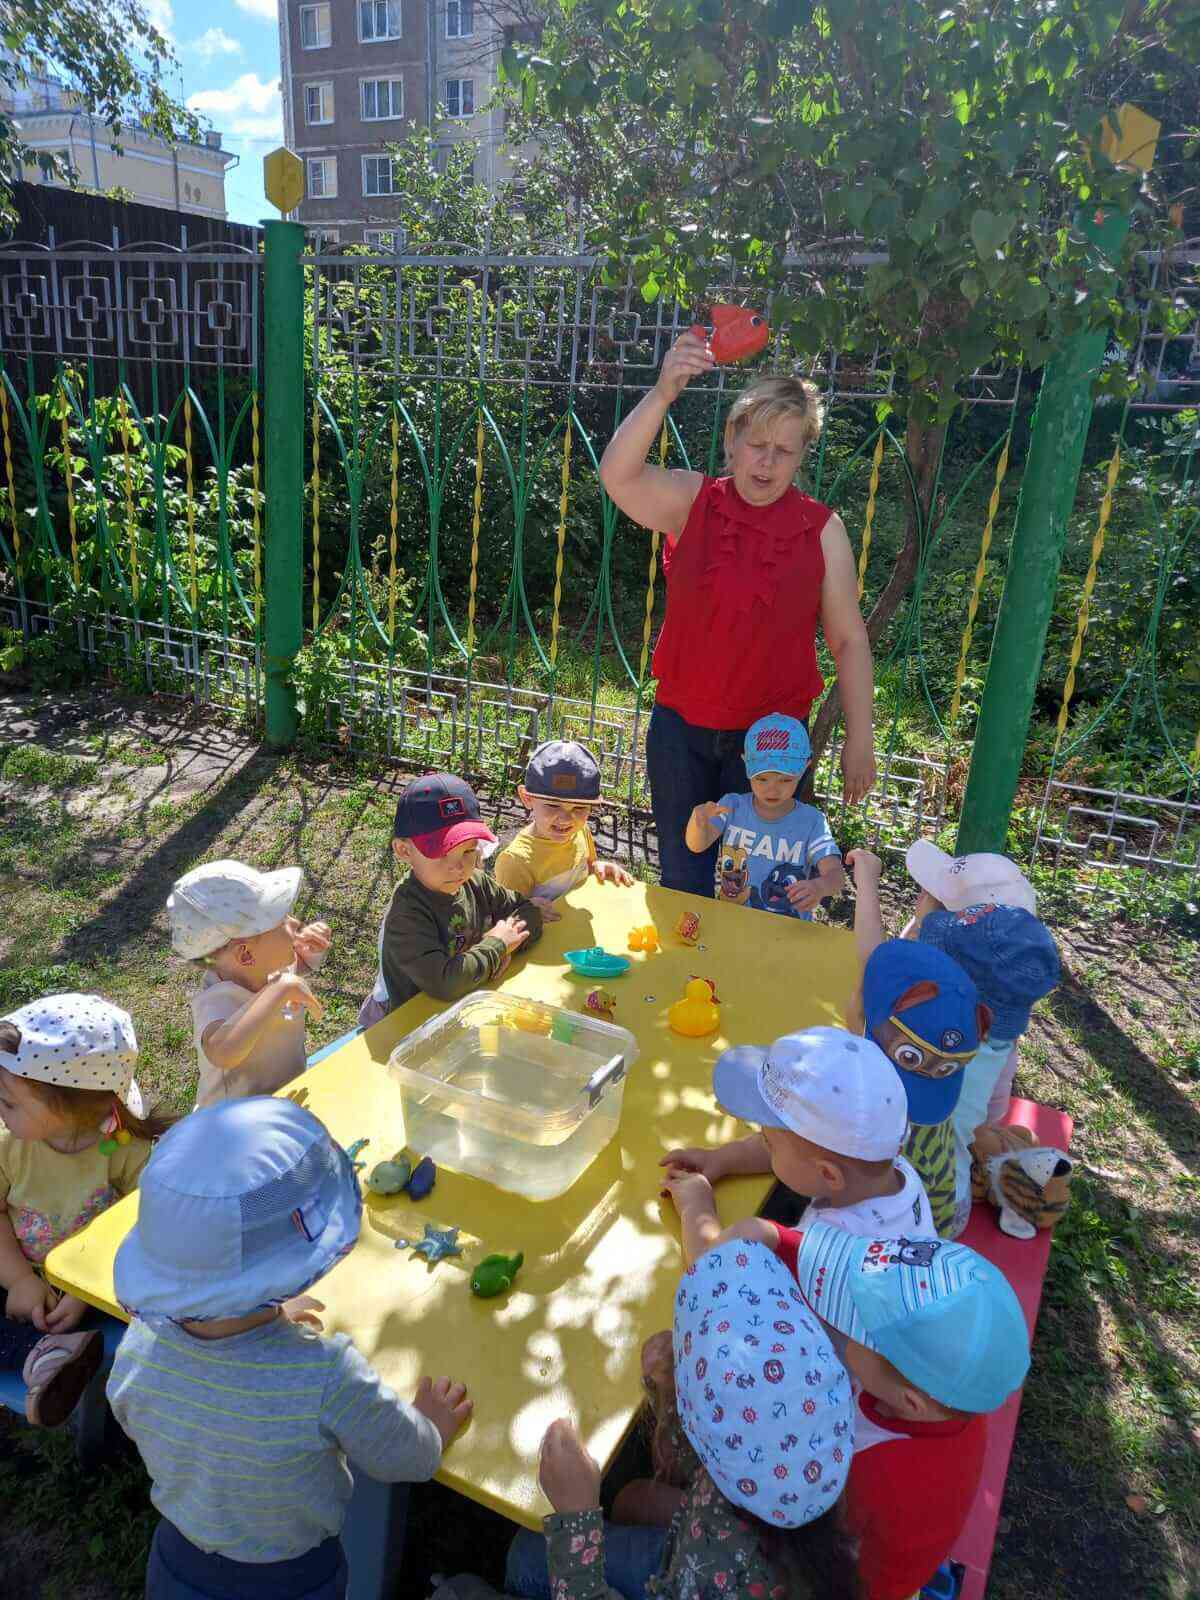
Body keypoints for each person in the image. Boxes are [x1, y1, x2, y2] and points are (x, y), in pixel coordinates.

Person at [108, 1096, 473, 1600]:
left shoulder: (139, 1344)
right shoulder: (324, 1375)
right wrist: (430, 1426)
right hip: (290, 1578)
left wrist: (267, 1317)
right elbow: (401, 1459)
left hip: (178, 1560)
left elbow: (133, 1411)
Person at [599, 339, 876, 897]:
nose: (767, 462)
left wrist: (859, 739)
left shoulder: (823, 530)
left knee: (755, 888)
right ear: (732, 441)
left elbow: (848, 640)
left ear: (802, 455)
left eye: (785, 450)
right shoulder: (692, 501)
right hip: (681, 731)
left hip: (770, 745)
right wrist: (663, 391)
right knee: (683, 878)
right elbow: (618, 476)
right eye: (756, 445)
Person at [495, 1241, 861, 1600]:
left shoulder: (724, 1584)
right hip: (698, 1543)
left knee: (524, 1558)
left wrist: (577, 1517)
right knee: (631, 1499)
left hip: (690, 1574)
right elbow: (695, 1465)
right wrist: (671, 1394)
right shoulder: (813, 1437)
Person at [782, 1219, 1030, 1600]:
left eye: (856, 1326)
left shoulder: (875, 1473)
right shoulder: (954, 1398)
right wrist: (774, 1238)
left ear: (909, 1401)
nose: (841, 1328)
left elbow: (793, 1513)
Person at [0, 993, 172, 1426]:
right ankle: (44, 1355)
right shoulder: (9, 1145)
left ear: (70, 1108)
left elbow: (144, 1223)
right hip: (20, 1273)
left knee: (157, 1296)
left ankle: (53, 1356)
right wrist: (19, 1279)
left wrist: (83, 1291)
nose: (1, 1110)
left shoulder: (124, 1148)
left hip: (98, 1283)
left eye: (9, 1103)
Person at [849, 846, 1060, 1155]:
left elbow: (876, 963)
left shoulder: (926, 1025)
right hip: (954, 1181)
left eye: (934, 898)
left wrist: (867, 879)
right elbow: (991, 1113)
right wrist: (926, 920)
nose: (922, 897)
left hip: (896, 1170)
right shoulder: (999, 1029)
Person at [661, 1026, 934, 1262]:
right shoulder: (885, 1165)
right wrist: (721, 1159)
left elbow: (710, 1271)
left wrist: (696, 1207)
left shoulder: (823, 1251)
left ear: (828, 1173)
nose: (763, 1143)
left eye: (768, 1142)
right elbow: (800, 1153)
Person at [359, 772, 545, 1027]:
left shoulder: (476, 882)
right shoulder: (408, 913)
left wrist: (501, 950)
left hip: (462, 1015)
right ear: (404, 850)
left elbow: (528, 912)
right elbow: (445, 983)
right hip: (406, 1027)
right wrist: (496, 947)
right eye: (441, 852)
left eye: (468, 850)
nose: (458, 867)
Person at [168, 859, 332, 1107]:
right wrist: (281, 989)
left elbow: (296, 967)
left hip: (286, 1098)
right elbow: (223, 1052)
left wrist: (310, 950)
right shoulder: (217, 1001)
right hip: (233, 1125)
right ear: (245, 954)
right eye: (281, 921)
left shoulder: (270, 969)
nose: (296, 922)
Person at [685, 713, 843, 917]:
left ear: (805, 767)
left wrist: (820, 887)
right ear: (745, 764)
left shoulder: (812, 822)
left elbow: (836, 875)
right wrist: (697, 821)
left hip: (785, 931)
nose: (773, 790)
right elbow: (697, 845)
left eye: (785, 780)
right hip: (731, 919)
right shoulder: (731, 806)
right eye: (762, 779)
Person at [492, 739, 633, 920]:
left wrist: (600, 867)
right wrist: (525, 911)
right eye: (552, 805)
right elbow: (503, 921)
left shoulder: (581, 832)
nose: (566, 819)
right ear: (526, 798)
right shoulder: (515, 862)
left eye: (579, 808)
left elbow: (588, 867)